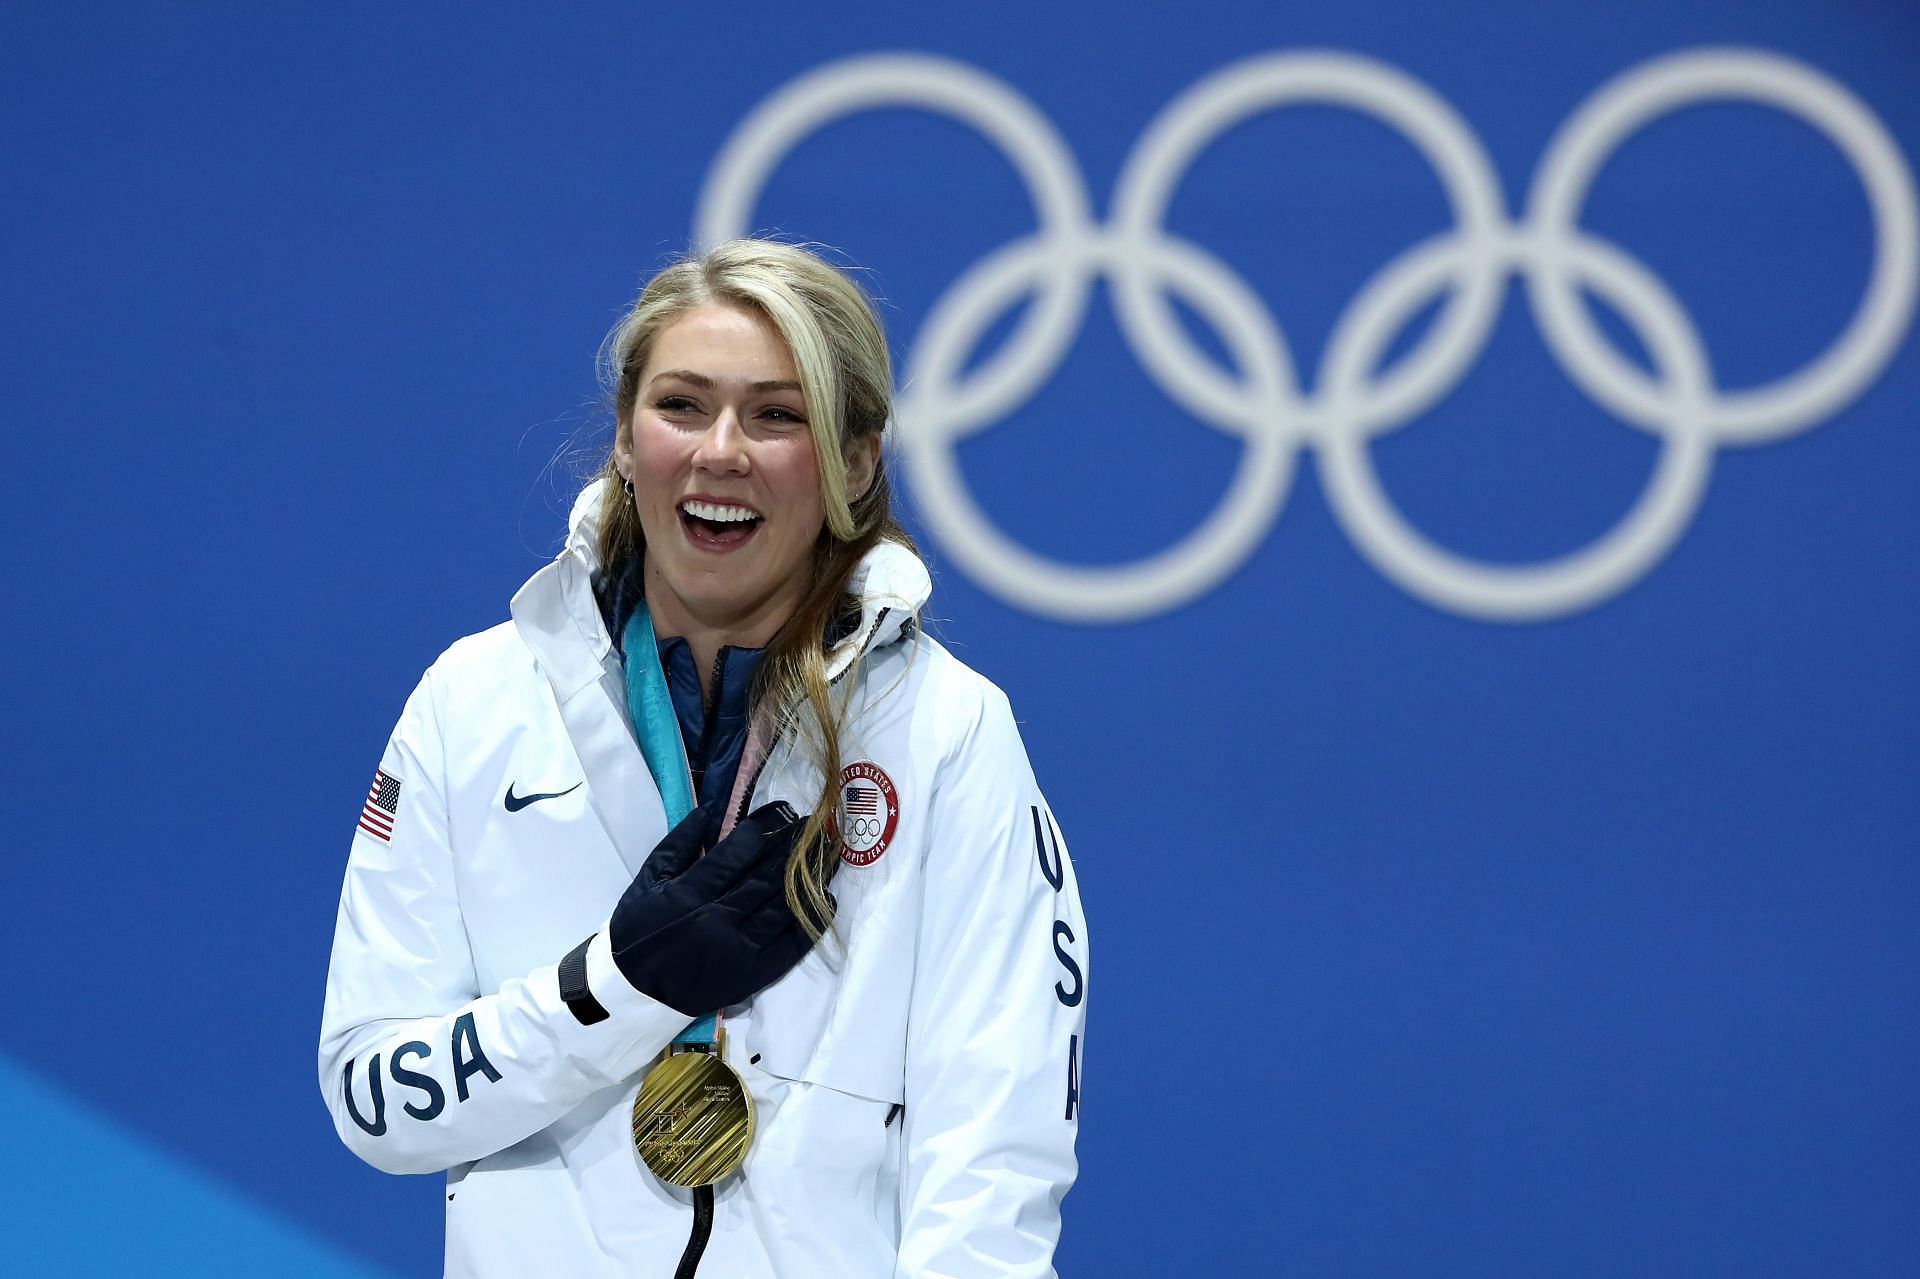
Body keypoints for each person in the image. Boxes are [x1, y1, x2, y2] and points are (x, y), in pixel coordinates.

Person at [317, 239, 1088, 1278]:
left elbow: (994, 1158)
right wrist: (613, 986)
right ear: (627, 442)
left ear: (855, 461)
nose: (721, 450)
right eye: (681, 405)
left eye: (777, 415)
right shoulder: (475, 701)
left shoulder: (946, 730)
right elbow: (374, 1099)